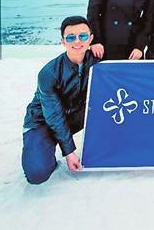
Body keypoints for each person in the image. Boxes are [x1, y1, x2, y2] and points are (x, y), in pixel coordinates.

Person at [21, 16, 97, 184]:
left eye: (83, 36)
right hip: (42, 121)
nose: (77, 41)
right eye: (70, 37)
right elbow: (54, 117)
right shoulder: (48, 73)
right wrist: (69, 152)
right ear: (63, 41)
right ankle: (43, 147)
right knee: (37, 174)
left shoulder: (97, 63)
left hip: (73, 117)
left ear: (91, 38)